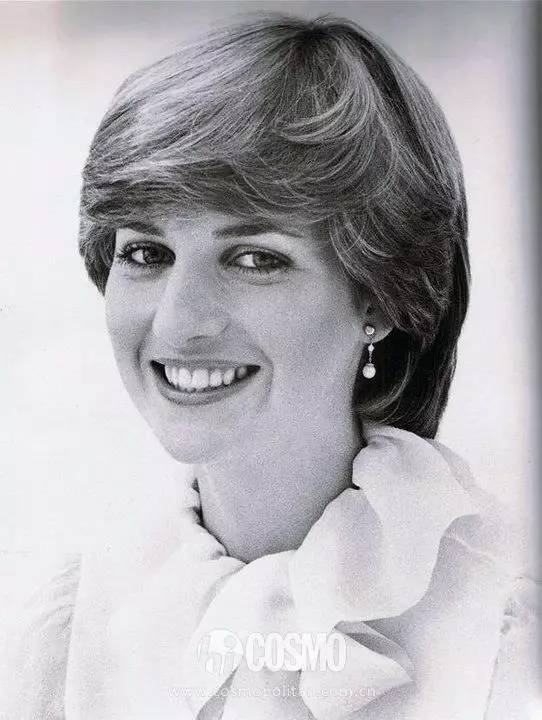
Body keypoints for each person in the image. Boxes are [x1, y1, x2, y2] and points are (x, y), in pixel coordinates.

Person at [1, 14, 537, 720]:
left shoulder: (502, 623)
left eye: (255, 259)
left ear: (381, 296)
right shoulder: (61, 633)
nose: (178, 323)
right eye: (146, 253)